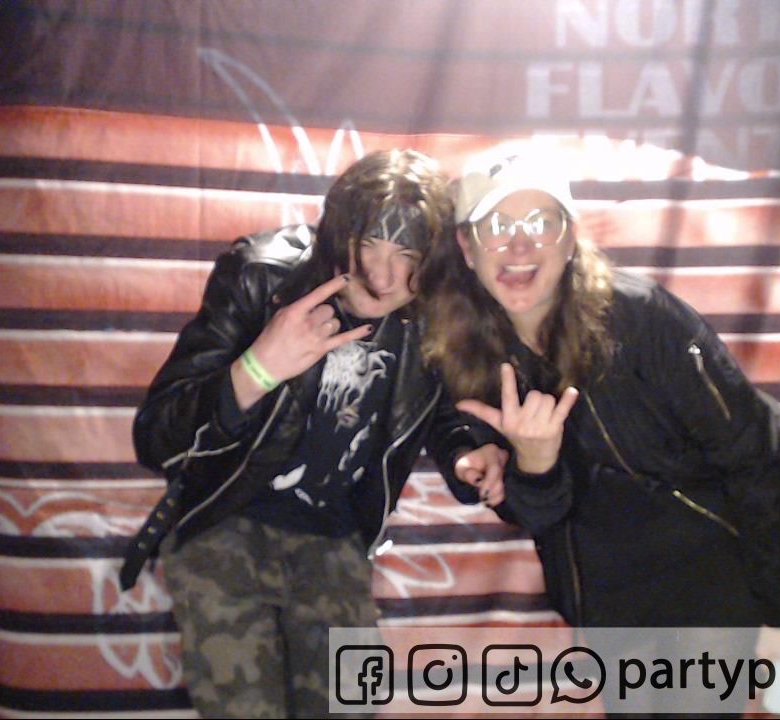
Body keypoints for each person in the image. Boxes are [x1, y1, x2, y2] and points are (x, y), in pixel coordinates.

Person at [418, 150, 780, 713]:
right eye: (497, 226)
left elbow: (758, 451)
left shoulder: (643, 318)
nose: (519, 245)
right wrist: (530, 462)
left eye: (540, 222)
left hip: (706, 583)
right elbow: (533, 512)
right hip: (606, 600)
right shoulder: (471, 349)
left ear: (570, 237)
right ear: (467, 246)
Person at [119, 149, 506, 718]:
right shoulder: (262, 274)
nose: (382, 276)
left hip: (335, 541)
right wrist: (257, 369)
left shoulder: (433, 309)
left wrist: (464, 453)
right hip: (225, 522)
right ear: (337, 232)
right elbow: (155, 437)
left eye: (407, 254)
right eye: (368, 244)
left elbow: (434, 405)